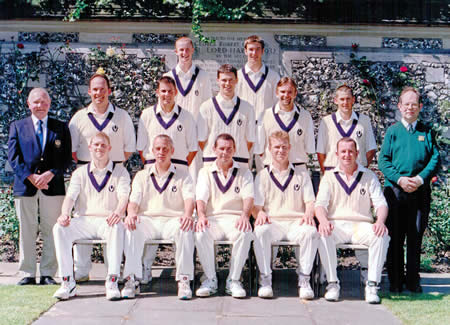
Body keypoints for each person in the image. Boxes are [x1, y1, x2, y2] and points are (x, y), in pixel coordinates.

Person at [69, 70, 136, 281]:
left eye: (102, 89)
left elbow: (128, 149)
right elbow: (72, 150)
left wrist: (110, 164)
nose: (99, 93)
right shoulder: (79, 117)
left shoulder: (122, 116)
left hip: (113, 174)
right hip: (86, 174)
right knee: (82, 218)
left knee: (114, 222)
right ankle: (81, 271)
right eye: (95, 89)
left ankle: (112, 270)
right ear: (89, 92)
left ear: (109, 91)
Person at [52, 132, 130, 301]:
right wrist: (64, 214)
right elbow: (70, 197)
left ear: (109, 148)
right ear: (90, 147)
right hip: (84, 220)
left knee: (117, 227)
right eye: (96, 145)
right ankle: (67, 282)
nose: (99, 148)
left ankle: (112, 281)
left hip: (108, 220)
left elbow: (124, 197)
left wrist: (118, 212)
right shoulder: (80, 173)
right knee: (59, 228)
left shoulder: (120, 172)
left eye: (103, 145)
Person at [379, 87, 440, 293]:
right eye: (406, 104)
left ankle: (413, 281)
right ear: (400, 106)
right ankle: (395, 281)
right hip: (395, 192)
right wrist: (400, 179)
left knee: (415, 236)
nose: (410, 107)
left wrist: (420, 179)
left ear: (420, 107)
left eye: (414, 104)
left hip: (419, 192)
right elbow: (383, 161)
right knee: (395, 237)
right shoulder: (392, 132)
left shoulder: (427, 131)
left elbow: (435, 159)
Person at [8, 88, 72, 286]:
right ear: (28, 104)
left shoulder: (60, 127)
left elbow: (66, 158)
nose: (40, 105)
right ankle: (27, 272)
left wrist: (50, 173)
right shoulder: (17, 126)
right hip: (25, 187)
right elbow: (13, 157)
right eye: (36, 102)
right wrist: (30, 176)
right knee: (27, 229)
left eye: (44, 102)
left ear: (49, 104)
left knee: (51, 230)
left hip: (53, 187)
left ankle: (47, 273)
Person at [315, 137, 390, 304]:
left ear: (357, 153)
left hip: (361, 225)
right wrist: (323, 221)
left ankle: (372, 285)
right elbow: (320, 205)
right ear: (337, 154)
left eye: (350, 151)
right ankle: (332, 284)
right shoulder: (329, 176)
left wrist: (380, 221)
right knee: (322, 234)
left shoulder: (369, 176)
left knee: (381, 235)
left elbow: (381, 204)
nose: (347, 155)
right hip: (337, 225)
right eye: (343, 151)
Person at [123, 134, 196, 300]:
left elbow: (189, 199)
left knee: (185, 227)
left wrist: (187, 215)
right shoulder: (142, 176)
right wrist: (132, 214)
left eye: (165, 149)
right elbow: (134, 201)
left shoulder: (183, 175)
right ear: (152, 151)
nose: (161, 152)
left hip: (173, 220)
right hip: (148, 220)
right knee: (132, 227)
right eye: (158, 148)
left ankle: (184, 280)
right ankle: (132, 279)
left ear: (172, 151)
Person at [253, 131, 318, 299]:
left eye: (283, 147)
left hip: (296, 222)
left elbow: (310, 203)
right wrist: (259, 213)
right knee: (260, 231)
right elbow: (256, 206)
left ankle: (304, 280)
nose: (280, 151)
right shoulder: (262, 176)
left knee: (310, 232)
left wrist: (309, 214)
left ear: (289, 148)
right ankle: (265, 279)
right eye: (276, 147)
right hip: (273, 222)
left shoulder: (301, 174)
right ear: (269, 149)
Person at [195, 134, 254, 298]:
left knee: (245, 232)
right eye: (221, 148)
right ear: (214, 149)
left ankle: (234, 280)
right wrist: (201, 216)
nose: (225, 152)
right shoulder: (205, 172)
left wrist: (245, 215)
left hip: (235, 219)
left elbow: (248, 197)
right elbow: (201, 198)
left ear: (234, 150)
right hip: (213, 219)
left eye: (229, 149)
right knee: (200, 233)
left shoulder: (244, 172)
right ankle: (210, 279)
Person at [163, 36, 212, 185]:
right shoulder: (168, 77)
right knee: (172, 170)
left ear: (193, 50)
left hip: (196, 133)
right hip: (173, 131)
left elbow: (207, 108)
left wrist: (205, 135)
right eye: (181, 50)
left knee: (195, 172)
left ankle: (196, 207)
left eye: (187, 49)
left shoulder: (203, 76)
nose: (184, 53)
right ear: (176, 52)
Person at [197, 64, 256, 169]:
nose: (227, 84)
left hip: (239, 163)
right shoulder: (206, 107)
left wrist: (234, 155)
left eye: (231, 80)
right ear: (217, 81)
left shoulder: (247, 108)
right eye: (224, 80)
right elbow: (201, 140)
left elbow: (250, 140)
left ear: (236, 81)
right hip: (212, 163)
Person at [137, 76, 198, 173]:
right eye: (163, 91)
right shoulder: (147, 115)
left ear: (176, 92)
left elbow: (193, 148)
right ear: (157, 92)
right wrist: (154, 165)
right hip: (153, 172)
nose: (167, 94)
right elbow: (141, 148)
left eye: (170, 91)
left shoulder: (187, 117)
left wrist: (181, 166)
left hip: (179, 172)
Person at [256, 77, 315, 171]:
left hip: (298, 170)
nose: (286, 95)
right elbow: (259, 149)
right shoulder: (265, 115)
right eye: (282, 92)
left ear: (295, 93)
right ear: (276, 93)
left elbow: (309, 148)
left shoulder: (305, 116)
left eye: (290, 92)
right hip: (273, 170)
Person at [316, 85, 376, 173]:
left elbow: (371, 149)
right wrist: (326, 175)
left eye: (348, 99)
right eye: (342, 99)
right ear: (336, 101)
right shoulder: (326, 122)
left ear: (353, 100)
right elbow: (320, 152)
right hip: (333, 173)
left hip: (357, 173)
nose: (345, 102)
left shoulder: (364, 121)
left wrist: (362, 170)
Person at [236, 35, 279, 122]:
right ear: (245, 51)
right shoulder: (237, 76)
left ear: (263, 51)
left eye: (258, 49)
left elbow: (278, 105)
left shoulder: (273, 77)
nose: (254, 53)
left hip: (266, 127)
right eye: (251, 49)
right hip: (244, 128)